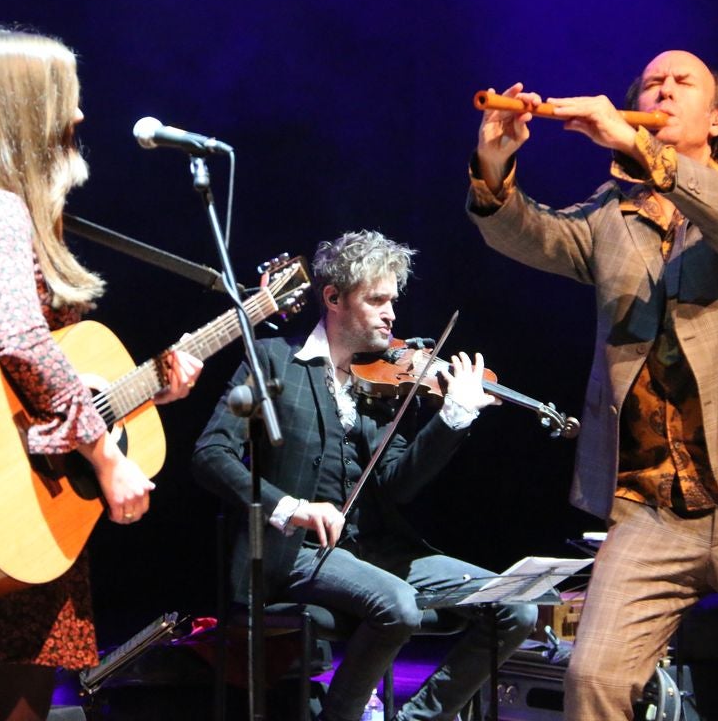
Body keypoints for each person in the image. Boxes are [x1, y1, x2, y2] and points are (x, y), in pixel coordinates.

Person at [466, 50, 718, 720]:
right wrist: (496, 165)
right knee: (593, 679)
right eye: (650, 84)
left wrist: (640, 148)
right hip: (651, 501)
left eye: (680, 83)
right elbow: (532, 235)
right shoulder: (616, 211)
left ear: (717, 117)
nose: (661, 90)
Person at [0, 29, 202, 721]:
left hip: (9, 489)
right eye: (66, 100)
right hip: (13, 493)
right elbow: (26, 345)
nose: (81, 117)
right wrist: (104, 454)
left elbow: (40, 361)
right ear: (22, 109)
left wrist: (151, 388)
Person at [191, 230, 538, 721]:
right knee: (397, 605)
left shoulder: (381, 384)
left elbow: (397, 484)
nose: (391, 314)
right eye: (377, 300)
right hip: (295, 553)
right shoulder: (273, 360)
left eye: (393, 300)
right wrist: (292, 509)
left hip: (377, 549)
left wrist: (452, 418)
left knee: (515, 607)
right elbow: (211, 453)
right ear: (332, 298)